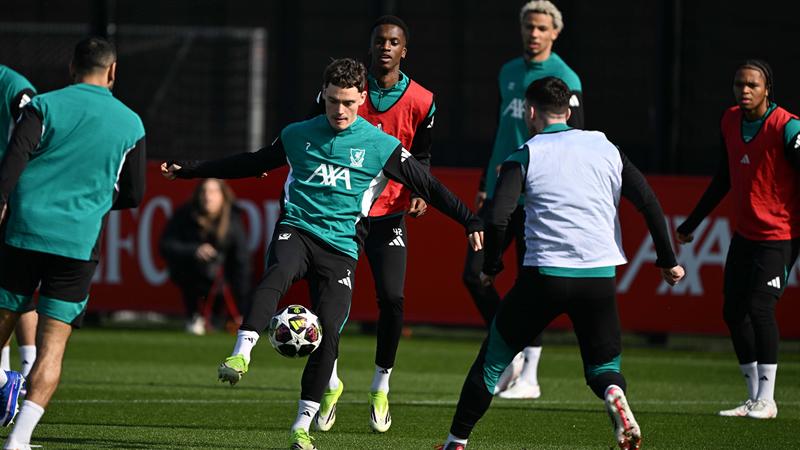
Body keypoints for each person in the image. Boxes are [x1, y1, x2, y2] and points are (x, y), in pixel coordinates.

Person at [161, 58, 483, 450]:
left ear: (362, 98)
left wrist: (469, 219)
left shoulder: (381, 146)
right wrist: (191, 170)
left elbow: (429, 186)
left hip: (341, 248)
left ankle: (302, 426)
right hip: (297, 230)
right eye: (332, 101)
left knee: (329, 329)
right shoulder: (298, 134)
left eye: (348, 102)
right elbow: (252, 162)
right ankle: (240, 354)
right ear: (323, 96)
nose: (339, 110)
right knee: (278, 272)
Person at [438, 77, 684, 450]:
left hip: (544, 277)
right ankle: (613, 393)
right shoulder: (606, 147)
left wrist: (491, 267)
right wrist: (667, 259)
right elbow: (649, 202)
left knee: (492, 362)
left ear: (530, 113)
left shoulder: (525, 153)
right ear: (569, 111)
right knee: (603, 368)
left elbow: (499, 218)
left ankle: (456, 442)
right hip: (598, 277)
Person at [0, 37, 146, 450]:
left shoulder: (43, 106)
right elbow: (134, 193)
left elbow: (13, 162)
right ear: (113, 71)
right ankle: (18, 441)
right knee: (52, 349)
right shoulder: (131, 123)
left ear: (71, 67)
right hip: (77, 243)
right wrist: (91, 202)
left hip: (24, 231)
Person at [308, 15, 437, 434]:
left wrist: (420, 191)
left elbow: (422, 155)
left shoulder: (422, 100)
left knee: (393, 298)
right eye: (380, 40)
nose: (386, 46)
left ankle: (381, 385)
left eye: (394, 42)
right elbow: (313, 137)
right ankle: (330, 382)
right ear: (370, 46)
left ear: (404, 50)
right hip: (341, 212)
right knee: (326, 302)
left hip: (389, 213)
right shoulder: (346, 91)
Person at [462, 0, 584, 400]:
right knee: (474, 274)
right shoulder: (508, 72)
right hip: (500, 189)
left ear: (555, 33)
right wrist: (485, 180)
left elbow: (575, 138)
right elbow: (502, 130)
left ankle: (530, 375)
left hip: (538, 195)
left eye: (542, 28)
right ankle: (510, 348)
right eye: (529, 26)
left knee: (529, 282)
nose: (534, 33)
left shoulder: (566, 77)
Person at [676, 60, 800, 420]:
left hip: (780, 235)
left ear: (767, 89)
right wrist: (692, 222)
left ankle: (768, 399)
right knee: (733, 312)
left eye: (752, 85)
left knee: (760, 307)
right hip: (745, 234)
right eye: (739, 84)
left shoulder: (787, 127)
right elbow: (724, 177)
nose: (744, 90)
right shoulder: (729, 120)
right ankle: (753, 397)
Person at [160, 178, 251, 335]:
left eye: (213, 192)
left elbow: (241, 262)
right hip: (191, 274)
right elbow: (166, 245)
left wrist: (242, 309)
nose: (208, 196)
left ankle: (223, 317)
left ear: (223, 196)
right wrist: (194, 250)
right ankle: (194, 316)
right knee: (189, 271)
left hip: (224, 280)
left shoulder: (232, 220)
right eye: (204, 192)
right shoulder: (185, 215)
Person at [0, 65, 39, 378]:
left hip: (12, 199)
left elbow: (30, 144)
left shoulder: (15, 87)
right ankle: (6, 376)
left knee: (14, 288)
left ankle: (25, 369)